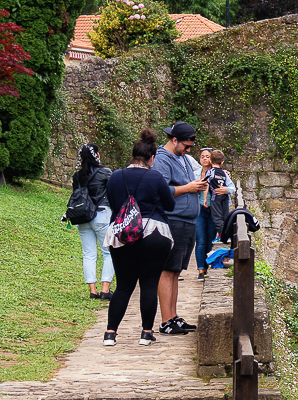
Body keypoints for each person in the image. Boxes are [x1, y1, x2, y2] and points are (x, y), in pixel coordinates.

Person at [103, 130, 176, 347]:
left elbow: (115, 205)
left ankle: (110, 333)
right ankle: (146, 333)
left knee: (124, 285)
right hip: (154, 233)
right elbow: (170, 205)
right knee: (149, 284)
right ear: (152, 158)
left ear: (133, 155)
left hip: (122, 235)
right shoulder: (155, 177)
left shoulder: (115, 176)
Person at [154, 122, 207, 335]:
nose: (189, 150)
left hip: (187, 220)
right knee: (167, 270)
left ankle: (173, 316)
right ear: (174, 140)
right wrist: (189, 188)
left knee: (176, 270)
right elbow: (160, 190)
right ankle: (166, 320)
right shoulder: (162, 159)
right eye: (186, 146)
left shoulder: (183, 158)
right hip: (173, 219)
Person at [72, 144, 114, 299]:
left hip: (83, 216)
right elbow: (112, 191)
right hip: (102, 214)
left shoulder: (77, 175)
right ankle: (105, 289)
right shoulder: (105, 172)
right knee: (109, 252)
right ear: (97, 154)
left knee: (88, 254)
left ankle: (92, 290)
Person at [193, 148, 232, 279]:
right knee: (200, 240)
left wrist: (226, 189)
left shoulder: (221, 173)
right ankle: (201, 270)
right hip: (199, 210)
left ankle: (208, 265)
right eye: (202, 156)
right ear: (199, 159)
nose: (205, 158)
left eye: (207, 156)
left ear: (211, 159)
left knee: (210, 240)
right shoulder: (195, 173)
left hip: (213, 209)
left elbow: (232, 188)